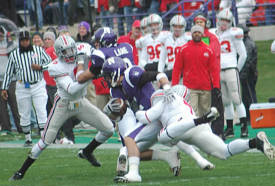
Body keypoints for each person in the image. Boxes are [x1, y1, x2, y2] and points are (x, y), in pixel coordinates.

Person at [9, 35, 115, 181]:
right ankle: (21, 171)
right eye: (66, 51)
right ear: (59, 53)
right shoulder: (55, 66)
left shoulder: (82, 48)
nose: (71, 53)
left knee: (109, 129)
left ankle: (87, 151)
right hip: (63, 104)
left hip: (80, 101)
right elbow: (71, 88)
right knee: (46, 139)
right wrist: (91, 75)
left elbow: (99, 54)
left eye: (72, 49)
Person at [101, 57, 214, 183]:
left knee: (129, 141)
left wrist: (166, 88)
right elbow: (124, 111)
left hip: (157, 112)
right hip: (149, 118)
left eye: (108, 76)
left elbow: (158, 74)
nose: (106, 79)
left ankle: (134, 174)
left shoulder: (130, 75)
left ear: (115, 72)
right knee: (134, 147)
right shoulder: (116, 89)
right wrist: (113, 113)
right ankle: (190, 159)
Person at [135, 87, 275, 164]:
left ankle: (201, 119)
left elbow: (145, 117)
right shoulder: (180, 99)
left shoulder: (161, 104)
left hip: (185, 125)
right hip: (196, 127)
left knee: (162, 137)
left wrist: (136, 111)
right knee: (223, 152)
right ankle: (254, 143)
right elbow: (184, 91)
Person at [1, 30, 51, 146]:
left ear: (30, 41)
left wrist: (41, 67)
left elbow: (51, 63)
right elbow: (9, 72)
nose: (25, 43)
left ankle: (43, 138)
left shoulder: (38, 50)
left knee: (41, 110)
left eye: (27, 40)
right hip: (22, 86)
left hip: (38, 84)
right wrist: (4, 88)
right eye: (22, 41)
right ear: (19, 41)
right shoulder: (14, 54)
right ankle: (28, 138)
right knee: (24, 113)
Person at [210, 9, 248, 138]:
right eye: (222, 20)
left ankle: (244, 127)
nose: (224, 23)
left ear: (231, 22)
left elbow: (243, 54)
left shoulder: (234, 33)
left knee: (237, 99)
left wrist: (236, 69)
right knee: (226, 102)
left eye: (227, 21)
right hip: (218, 72)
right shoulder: (212, 33)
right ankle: (230, 128)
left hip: (231, 69)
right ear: (218, 19)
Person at [172, 25, 220, 118]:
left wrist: (216, 86)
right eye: (195, 32)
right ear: (191, 34)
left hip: (205, 87)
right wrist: (174, 85)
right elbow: (177, 69)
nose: (197, 34)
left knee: (206, 113)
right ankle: (194, 132)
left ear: (202, 34)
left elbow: (214, 70)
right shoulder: (183, 49)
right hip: (190, 88)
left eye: (199, 32)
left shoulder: (209, 50)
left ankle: (206, 132)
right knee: (192, 113)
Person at [193, 13, 224, 139]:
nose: (199, 24)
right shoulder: (193, 39)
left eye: (201, 22)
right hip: (199, 77)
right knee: (201, 106)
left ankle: (218, 131)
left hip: (210, 76)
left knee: (216, 104)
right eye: (197, 22)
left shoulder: (212, 37)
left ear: (206, 24)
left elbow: (213, 56)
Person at [0, 24, 22, 134]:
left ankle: (20, 127)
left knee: (15, 104)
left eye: (1, 32)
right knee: (1, 106)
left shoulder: (11, 45)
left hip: (11, 79)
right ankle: (6, 128)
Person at [158, 15, 190, 80]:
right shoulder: (166, 38)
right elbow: (162, 58)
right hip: (170, 70)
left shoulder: (188, 39)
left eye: (180, 26)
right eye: (175, 26)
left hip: (183, 73)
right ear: (171, 26)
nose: (177, 29)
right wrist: (159, 73)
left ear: (184, 27)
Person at [238, 24, 258, 123]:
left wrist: (241, 74)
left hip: (248, 74)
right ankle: (248, 117)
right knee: (246, 96)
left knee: (250, 96)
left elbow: (247, 61)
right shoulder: (246, 42)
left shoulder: (247, 44)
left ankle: (255, 117)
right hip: (247, 73)